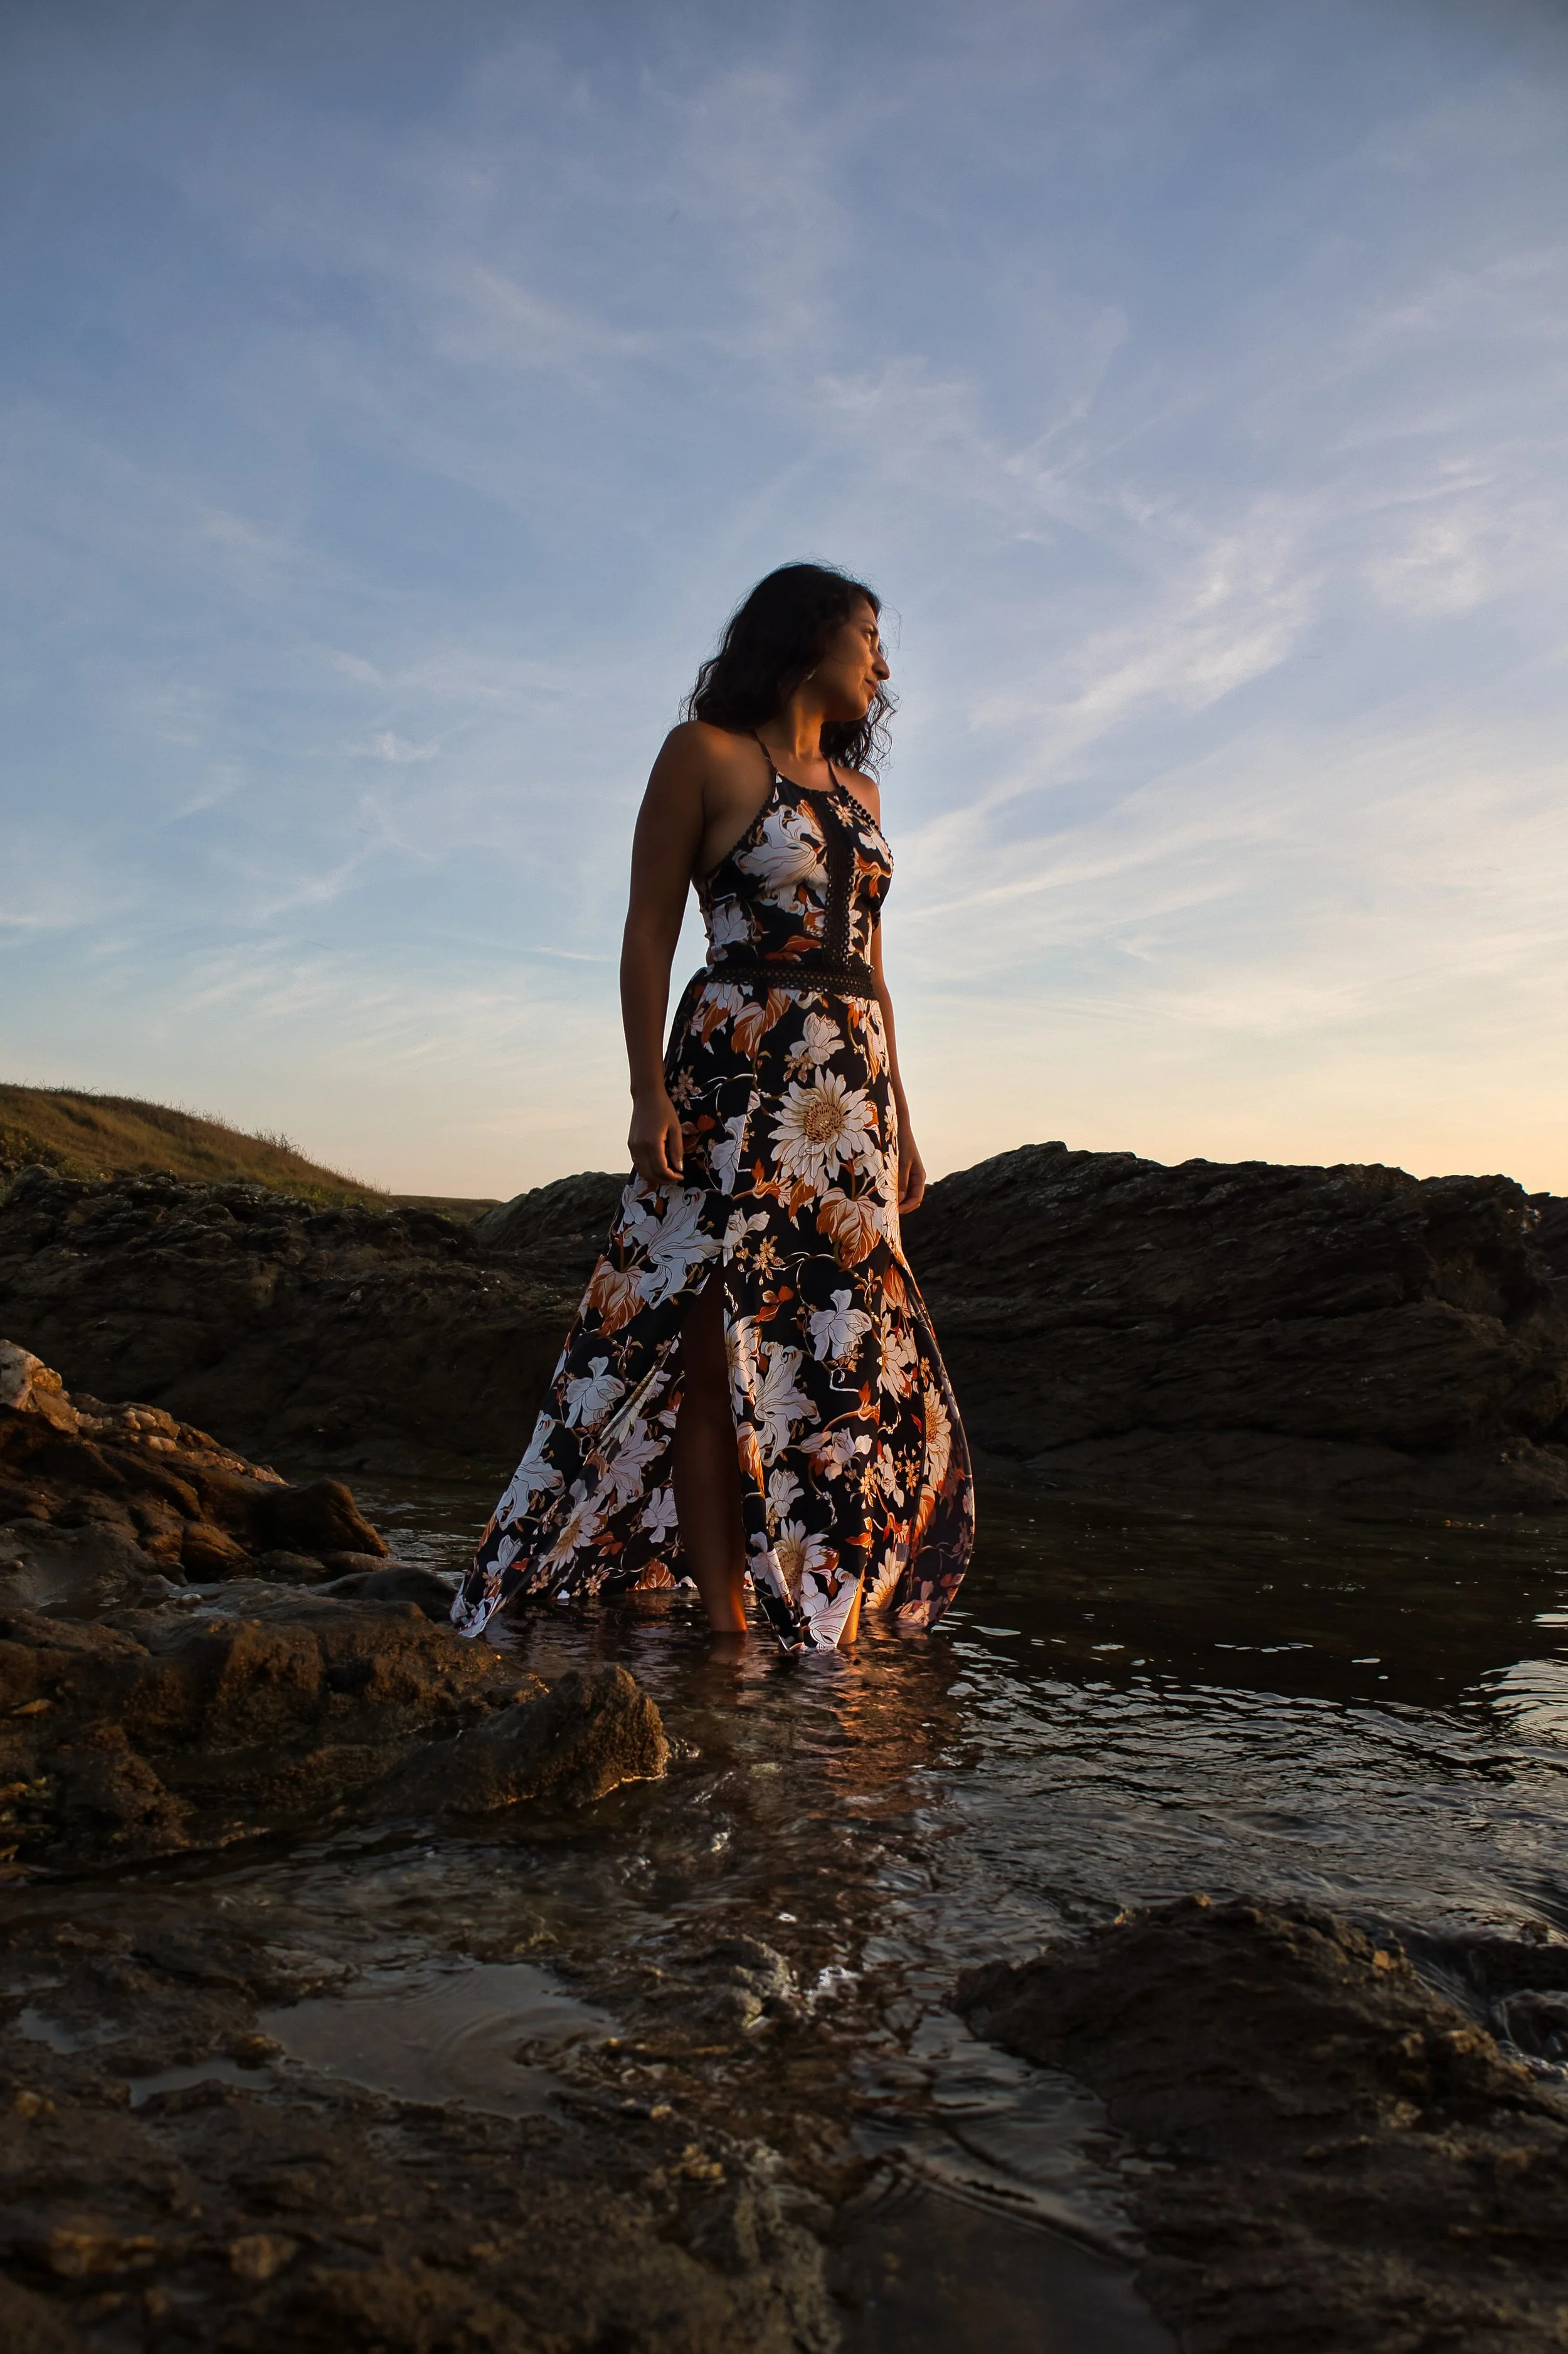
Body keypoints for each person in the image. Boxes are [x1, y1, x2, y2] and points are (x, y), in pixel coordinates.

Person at [453, 563, 973, 1653]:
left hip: (849, 1096)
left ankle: (823, 1607)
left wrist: (905, 1120)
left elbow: (875, 975)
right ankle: (733, 1632)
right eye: (869, 636)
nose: (884, 665)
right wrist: (646, 1090)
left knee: (837, 1351)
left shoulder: (862, 796)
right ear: (809, 634)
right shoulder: (704, 754)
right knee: (709, 1349)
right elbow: (648, 930)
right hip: (737, 1077)